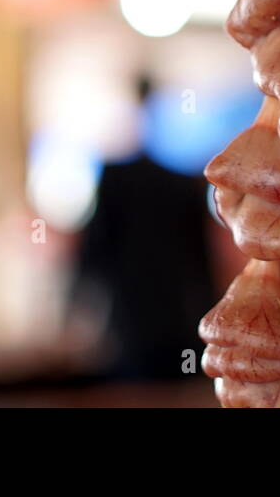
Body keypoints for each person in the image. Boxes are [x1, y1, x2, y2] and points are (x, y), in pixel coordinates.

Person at [70, 74, 216, 381]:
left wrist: (74, 308)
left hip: (130, 321)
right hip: (179, 318)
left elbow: (93, 252)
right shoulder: (182, 184)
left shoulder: (115, 180)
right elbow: (201, 262)